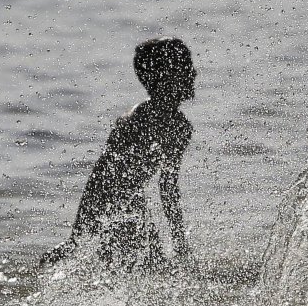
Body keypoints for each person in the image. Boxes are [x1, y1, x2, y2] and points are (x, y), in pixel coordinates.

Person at [40, 37, 196, 270]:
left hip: (133, 207)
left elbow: (168, 188)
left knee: (154, 270)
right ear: (163, 78)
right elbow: (100, 177)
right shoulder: (136, 121)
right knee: (146, 271)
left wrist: (179, 240)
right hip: (112, 209)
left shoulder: (180, 127)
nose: (193, 72)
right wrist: (76, 235)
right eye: (184, 67)